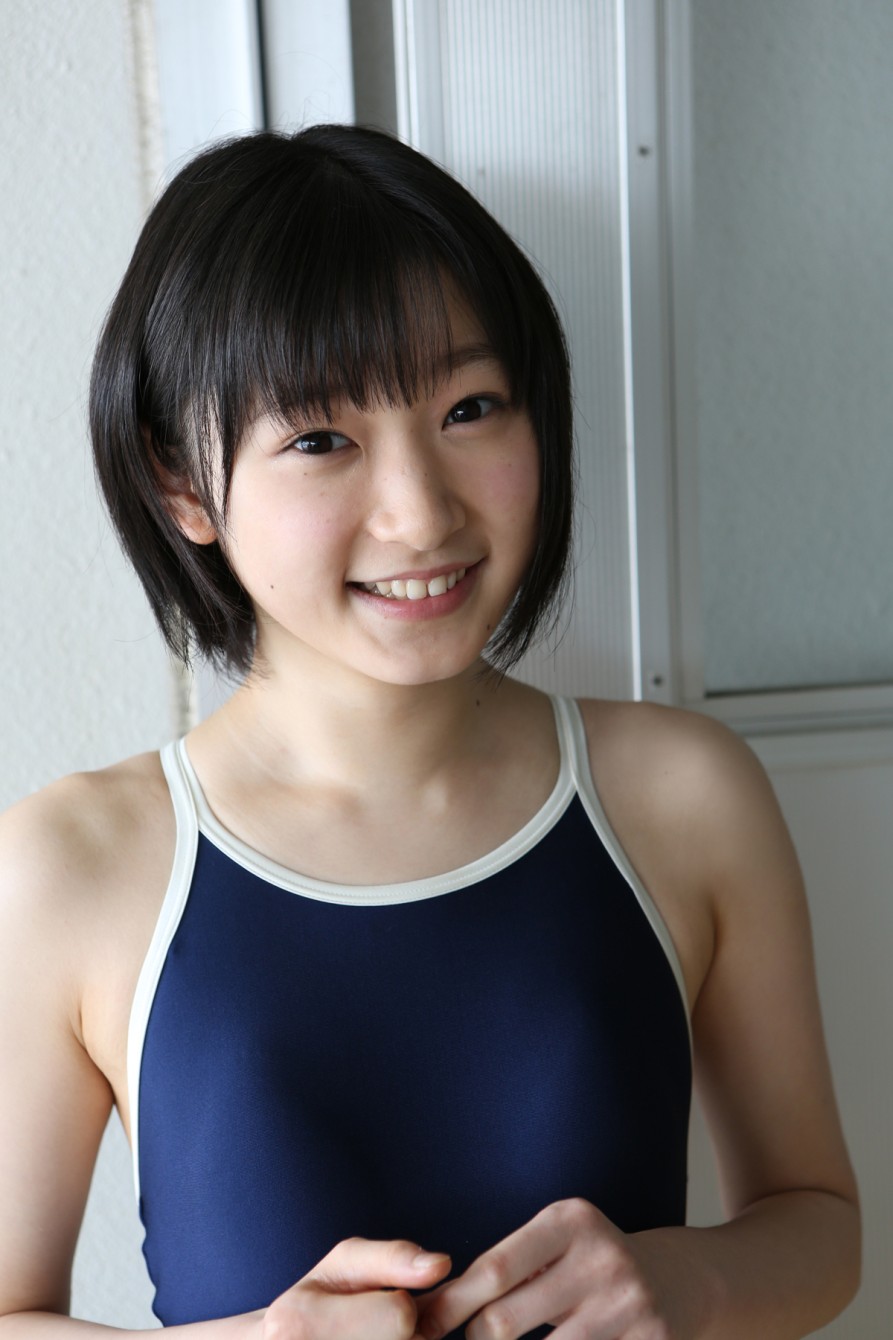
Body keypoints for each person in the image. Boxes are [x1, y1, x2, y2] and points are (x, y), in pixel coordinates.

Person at [0, 124, 859, 1340]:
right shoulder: (70, 864)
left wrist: (689, 1280)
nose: (419, 511)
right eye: (319, 438)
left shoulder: (683, 793)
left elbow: (817, 1220)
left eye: (470, 407)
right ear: (181, 481)